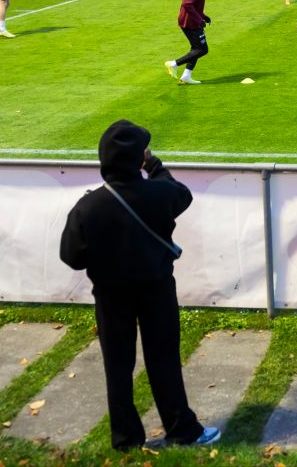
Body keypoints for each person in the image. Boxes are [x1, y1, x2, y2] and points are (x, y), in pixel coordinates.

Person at [60, 120, 221, 450]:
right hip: (156, 291)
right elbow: (181, 194)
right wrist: (154, 165)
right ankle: (181, 430)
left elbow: (72, 257)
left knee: (117, 368)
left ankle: (125, 439)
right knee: (163, 360)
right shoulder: (160, 194)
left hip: (110, 296)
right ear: (139, 158)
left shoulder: (88, 206)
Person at [164, 0, 211, 85]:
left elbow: (193, 3)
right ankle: (174, 64)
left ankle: (186, 77)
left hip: (191, 18)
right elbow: (187, 3)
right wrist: (199, 19)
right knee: (202, 49)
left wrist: (203, 16)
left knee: (195, 48)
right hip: (189, 21)